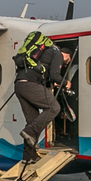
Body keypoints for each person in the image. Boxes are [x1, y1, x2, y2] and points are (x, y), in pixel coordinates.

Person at [14, 32, 63, 162]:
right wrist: (66, 82)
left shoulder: (40, 54)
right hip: (30, 85)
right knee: (54, 108)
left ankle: (28, 156)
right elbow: (55, 75)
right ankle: (29, 132)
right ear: (66, 55)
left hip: (19, 85)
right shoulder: (56, 52)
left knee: (33, 120)